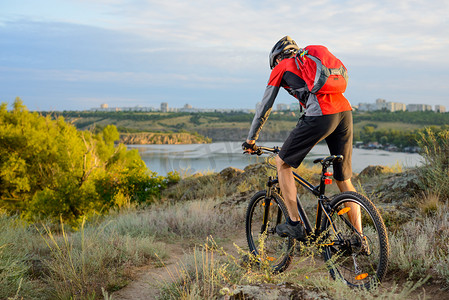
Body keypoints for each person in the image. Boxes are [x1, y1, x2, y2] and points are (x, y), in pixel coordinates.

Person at [242, 36, 361, 241]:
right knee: (344, 179)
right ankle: (359, 237)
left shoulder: (282, 67)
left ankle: (294, 223)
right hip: (345, 113)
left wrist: (251, 140)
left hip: (321, 116)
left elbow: (264, 106)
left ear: (277, 59)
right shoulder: (308, 62)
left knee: (283, 163)